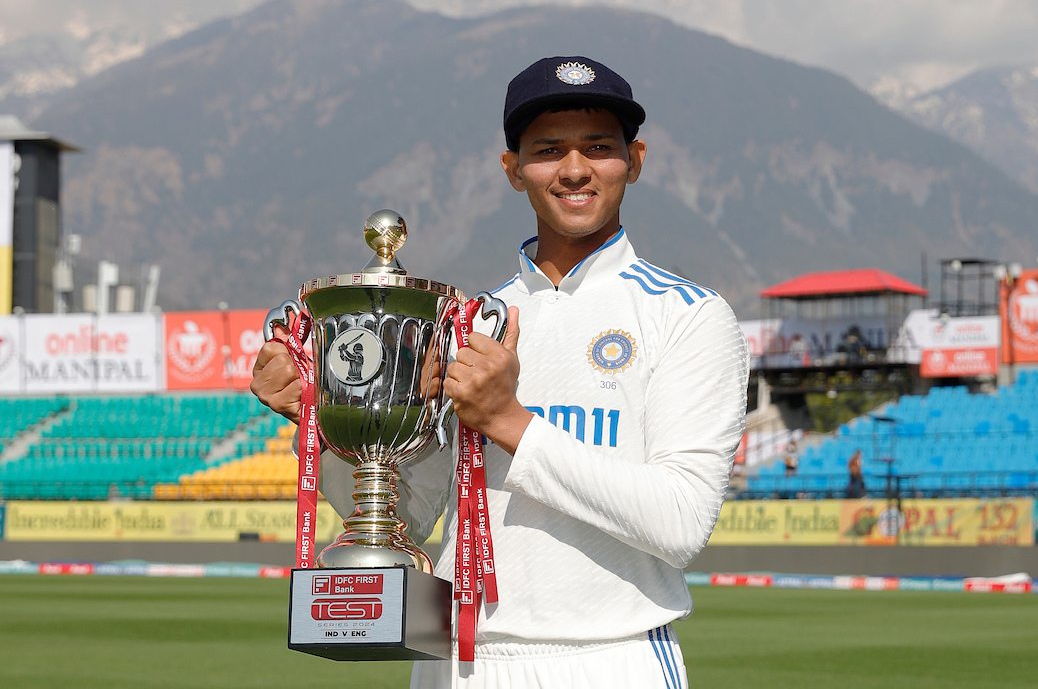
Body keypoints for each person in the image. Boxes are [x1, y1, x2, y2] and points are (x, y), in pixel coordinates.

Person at [251, 56, 749, 688]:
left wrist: (508, 421)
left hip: (609, 656)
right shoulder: (462, 323)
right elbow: (407, 509)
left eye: (599, 147)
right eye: (548, 151)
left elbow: (680, 523)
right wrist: (322, 418)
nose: (574, 169)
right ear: (514, 170)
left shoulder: (688, 315)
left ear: (636, 161)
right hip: (459, 661)